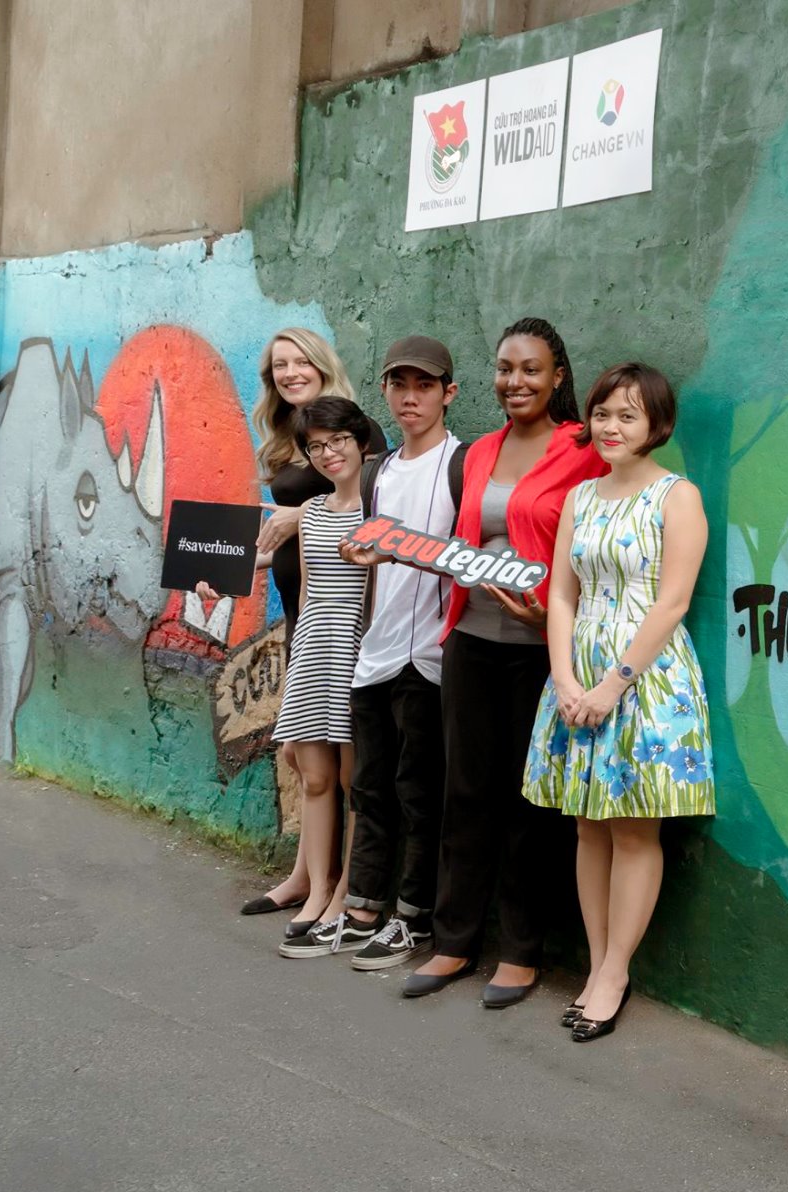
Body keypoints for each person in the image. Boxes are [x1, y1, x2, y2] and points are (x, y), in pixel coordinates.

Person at [402, 318, 607, 1006]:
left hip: (540, 653)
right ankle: (453, 940)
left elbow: (599, 541)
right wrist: (381, 544)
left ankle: (521, 951)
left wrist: (547, 609)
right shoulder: (481, 451)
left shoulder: (584, 447)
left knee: (529, 805)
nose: (514, 381)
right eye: (504, 368)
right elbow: (455, 542)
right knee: (464, 792)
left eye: (530, 369)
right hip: (469, 642)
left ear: (558, 377)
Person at [522, 363, 715, 1042]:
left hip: (649, 678)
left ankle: (613, 972)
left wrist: (613, 682)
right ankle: (598, 960)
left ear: (655, 423)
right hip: (580, 674)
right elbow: (563, 594)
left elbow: (673, 601)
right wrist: (567, 678)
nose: (611, 426)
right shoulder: (581, 498)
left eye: (627, 415)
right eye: (603, 413)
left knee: (634, 826)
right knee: (586, 823)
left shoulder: (676, 496)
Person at [280, 337, 468, 965]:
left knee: (420, 794)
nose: (410, 397)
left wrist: (395, 548)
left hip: (432, 657)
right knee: (369, 790)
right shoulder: (379, 472)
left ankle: (411, 919)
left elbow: (468, 557)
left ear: (449, 393)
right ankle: (360, 909)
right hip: (374, 653)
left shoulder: (463, 464)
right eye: (398, 385)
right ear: (384, 392)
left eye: (423, 385)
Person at [237, 328, 373, 935]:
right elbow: (285, 538)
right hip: (305, 610)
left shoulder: (354, 436)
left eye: (300, 362)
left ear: (322, 364)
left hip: (349, 621)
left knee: (340, 767)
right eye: (278, 366)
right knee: (302, 757)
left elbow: (363, 509)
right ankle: (306, 880)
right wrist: (231, 567)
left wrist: (300, 515)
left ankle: (337, 888)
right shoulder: (289, 439)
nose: (290, 373)